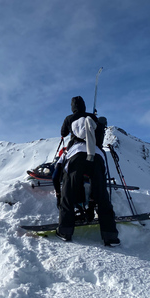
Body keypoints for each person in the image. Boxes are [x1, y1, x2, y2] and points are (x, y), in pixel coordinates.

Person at [56, 96, 120, 246]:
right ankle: (110, 236)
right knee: (102, 195)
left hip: (76, 155)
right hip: (96, 155)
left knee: (68, 192)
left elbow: (63, 133)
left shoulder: (70, 118)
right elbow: (99, 135)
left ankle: (65, 230)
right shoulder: (92, 117)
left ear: (73, 107)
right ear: (84, 106)